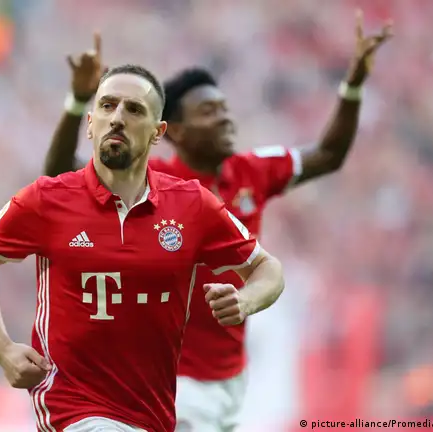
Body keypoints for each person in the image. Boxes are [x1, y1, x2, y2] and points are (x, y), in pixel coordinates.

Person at [43, 12, 392, 431]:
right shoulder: (149, 182)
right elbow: (59, 174)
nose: (226, 118)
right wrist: (77, 102)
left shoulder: (252, 172)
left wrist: (352, 86)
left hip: (232, 378)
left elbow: (328, 155)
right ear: (175, 132)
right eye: (209, 111)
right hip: (170, 379)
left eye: (225, 109)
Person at [0, 64, 285, 432]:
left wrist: (245, 300)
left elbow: (267, 269)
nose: (117, 118)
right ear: (90, 123)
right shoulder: (46, 199)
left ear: (158, 132)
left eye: (134, 109)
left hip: (153, 414)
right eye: (107, 105)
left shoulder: (192, 204)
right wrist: (2, 348)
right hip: (71, 408)